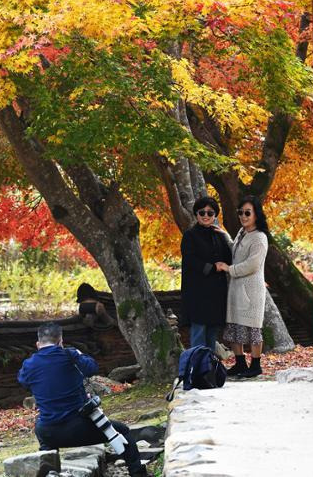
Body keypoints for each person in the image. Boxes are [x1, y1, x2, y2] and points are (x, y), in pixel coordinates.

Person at [17, 322, 148, 477]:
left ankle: (49, 471)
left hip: (48, 431)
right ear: (60, 341)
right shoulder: (69, 355)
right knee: (123, 431)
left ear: (38, 344)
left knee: (45, 443)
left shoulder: (29, 364)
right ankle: (138, 473)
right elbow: (92, 368)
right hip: (78, 429)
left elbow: (23, 381)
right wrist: (77, 353)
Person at [218, 194, 269, 379]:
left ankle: (255, 365)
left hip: (251, 290)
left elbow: (252, 264)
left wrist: (229, 269)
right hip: (236, 288)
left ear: (256, 214)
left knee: (253, 328)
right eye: (240, 212)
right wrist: (222, 234)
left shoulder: (260, 237)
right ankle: (239, 363)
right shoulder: (242, 233)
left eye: (248, 212)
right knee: (234, 327)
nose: (243, 216)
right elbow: (235, 251)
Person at [180, 196, 233, 350]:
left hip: (216, 293)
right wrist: (212, 267)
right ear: (196, 214)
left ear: (215, 216)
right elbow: (190, 260)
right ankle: (197, 370)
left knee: (212, 333)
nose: (205, 216)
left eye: (210, 213)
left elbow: (229, 259)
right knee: (198, 332)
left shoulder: (219, 236)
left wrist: (226, 237)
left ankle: (209, 369)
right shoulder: (190, 235)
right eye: (202, 212)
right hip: (197, 293)